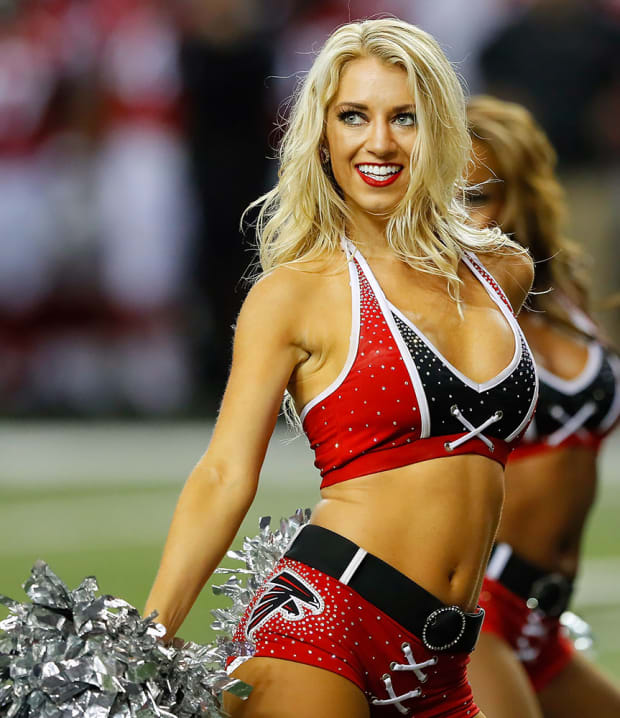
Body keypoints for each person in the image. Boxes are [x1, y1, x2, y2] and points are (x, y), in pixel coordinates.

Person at [145, 20, 537, 718]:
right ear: (322, 136)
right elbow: (224, 474)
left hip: (442, 665)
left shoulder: (502, 271)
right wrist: (147, 635)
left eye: (403, 118)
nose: (378, 142)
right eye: (353, 116)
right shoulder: (294, 292)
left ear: (441, 129)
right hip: (320, 631)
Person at [465, 95, 620, 718]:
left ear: (522, 197)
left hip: (543, 617)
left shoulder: (567, 294)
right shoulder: (451, 304)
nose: (459, 219)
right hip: (479, 608)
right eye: (443, 198)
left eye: (477, 197)